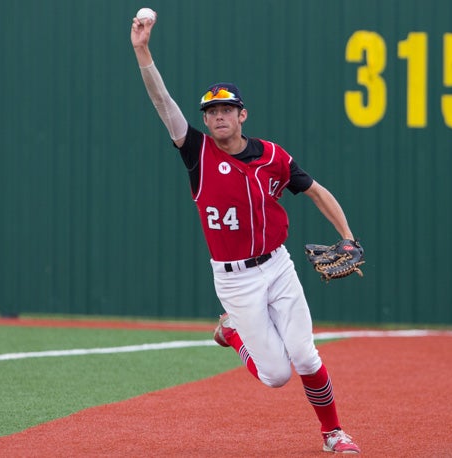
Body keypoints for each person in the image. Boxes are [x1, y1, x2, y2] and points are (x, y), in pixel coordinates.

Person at [131, 11, 361, 454]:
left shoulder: (273, 156)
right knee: (276, 375)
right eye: (211, 111)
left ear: (242, 114)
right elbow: (163, 103)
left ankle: (334, 433)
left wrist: (347, 236)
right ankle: (231, 330)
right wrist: (142, 50)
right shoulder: (195, 152)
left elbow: (315, 191)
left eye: (225, 110)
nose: (217, 117)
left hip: (278, 266)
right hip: (234, 279)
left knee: (306, 356)